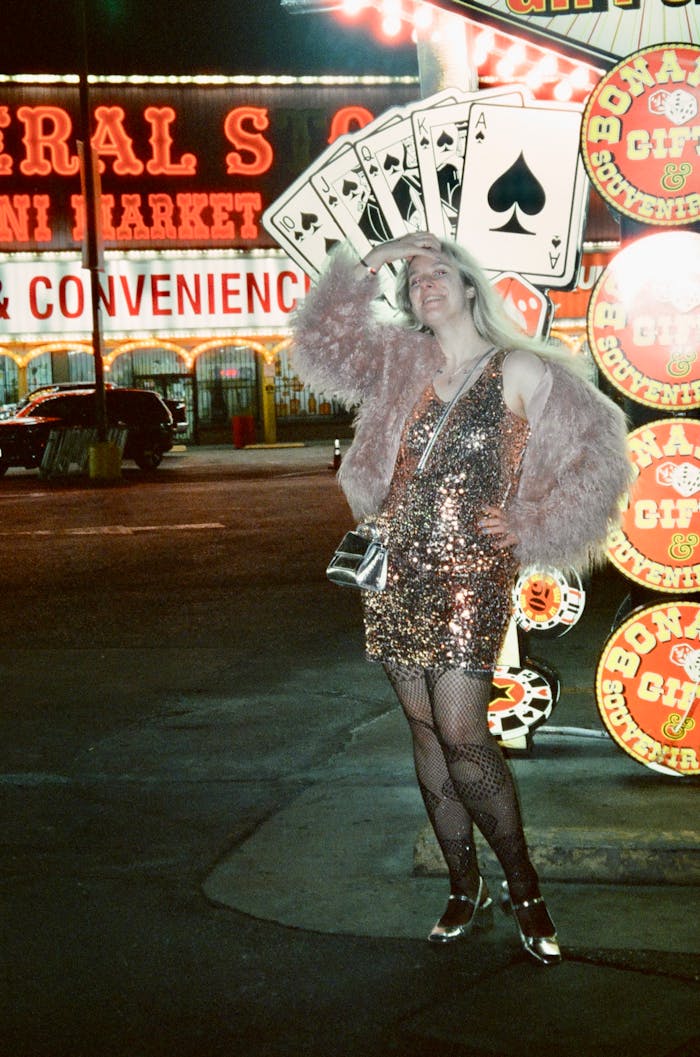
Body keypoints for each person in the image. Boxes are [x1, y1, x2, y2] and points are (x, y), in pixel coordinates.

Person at [291, 231, 632, 966]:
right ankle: (462, 882)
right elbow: (320, 345)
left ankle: (525, 884)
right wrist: (374, 262)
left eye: (438, 271)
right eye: (413, 281)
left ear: (471, 286)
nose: (425, 284)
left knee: (463, 732)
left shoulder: (517, 367)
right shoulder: (399, 363)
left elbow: (600, 448)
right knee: (423, 733)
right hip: (394, 574)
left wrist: (534, 523)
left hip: (471, 576)